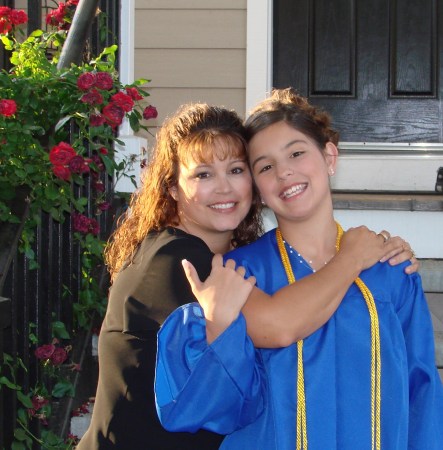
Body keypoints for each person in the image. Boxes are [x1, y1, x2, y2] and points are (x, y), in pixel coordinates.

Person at [77, 101, 414, 449]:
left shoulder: (229, 258)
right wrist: (351, 258)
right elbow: (277, 326)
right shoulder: (176, 260)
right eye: (203, 175)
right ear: (173, 188)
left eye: (236, 170)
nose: (224, 188)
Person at [155, 89, 443, 450]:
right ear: (257, 187)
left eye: (296, 152)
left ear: (330, 156)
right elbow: (222, 405)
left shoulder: (391, 270)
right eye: (264, 166)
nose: (285, 172)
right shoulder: (239, 275)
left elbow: (422, 395)